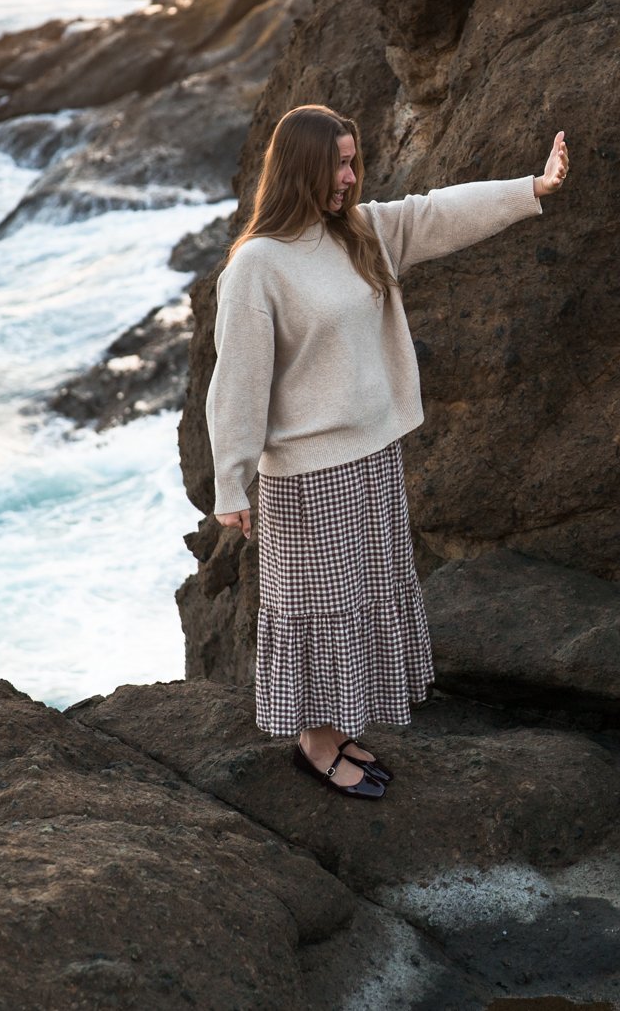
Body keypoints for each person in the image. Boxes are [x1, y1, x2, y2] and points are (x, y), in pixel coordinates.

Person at [206, 103, 568, 799]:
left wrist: (533, 188)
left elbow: (438, 214)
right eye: (338, 163)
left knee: (363, 595)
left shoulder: (360, 233)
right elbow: (238, 380)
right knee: (318, 605)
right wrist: (231, 484)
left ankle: (338, 728)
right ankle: (314, 745)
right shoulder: (257, 265)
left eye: (353, 161)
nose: (349, 177)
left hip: (372, 458)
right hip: (307, 477)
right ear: (302, 167)